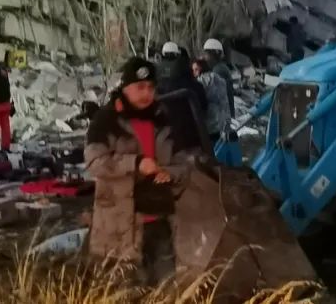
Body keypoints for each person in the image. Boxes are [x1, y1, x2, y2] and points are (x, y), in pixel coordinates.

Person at [85, 57, 186, 284]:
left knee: (165, 287)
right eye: (140, 87)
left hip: (159, 220)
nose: (146, 93)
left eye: (150, 87)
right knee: (124, 289)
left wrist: (170, 173)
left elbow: (183, 161)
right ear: (125, 87)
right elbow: (94, 162)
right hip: (119, 226)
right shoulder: (106, 120)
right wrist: (135, 163)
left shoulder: (162, 118)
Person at [156, 42, 208, 154]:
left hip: (168, 138)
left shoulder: (158, 78)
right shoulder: (195, 85)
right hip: (194, 136)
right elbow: (204, 107)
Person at [192, 58, 230, 146]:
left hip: (208, 122)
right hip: (221, 120)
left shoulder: (200, 81)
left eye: (196, 69)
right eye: (193, 70)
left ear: (202, 68)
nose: (194, 72)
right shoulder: (220, 79)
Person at [203, 38, 235, 120]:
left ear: (214, 55)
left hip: (222, 116)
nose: (205, 57)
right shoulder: (219, 67)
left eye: (207, 54)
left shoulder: (219, 70)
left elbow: (213, 95)